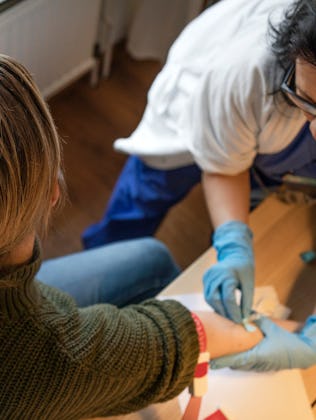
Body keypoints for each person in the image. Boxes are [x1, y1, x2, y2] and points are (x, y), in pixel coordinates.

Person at [0, 52, 299, 419]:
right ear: (53, 192)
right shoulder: (45, 359)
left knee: (151, 259)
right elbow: (177, 340)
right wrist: (289, 334)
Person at [82, 0, 316, 370]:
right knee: (145, 194)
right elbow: (224, 167)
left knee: (255, 203)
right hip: (203, 105)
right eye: (308, 103)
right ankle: (102, 258)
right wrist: (234, 242)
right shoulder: (245, 72)